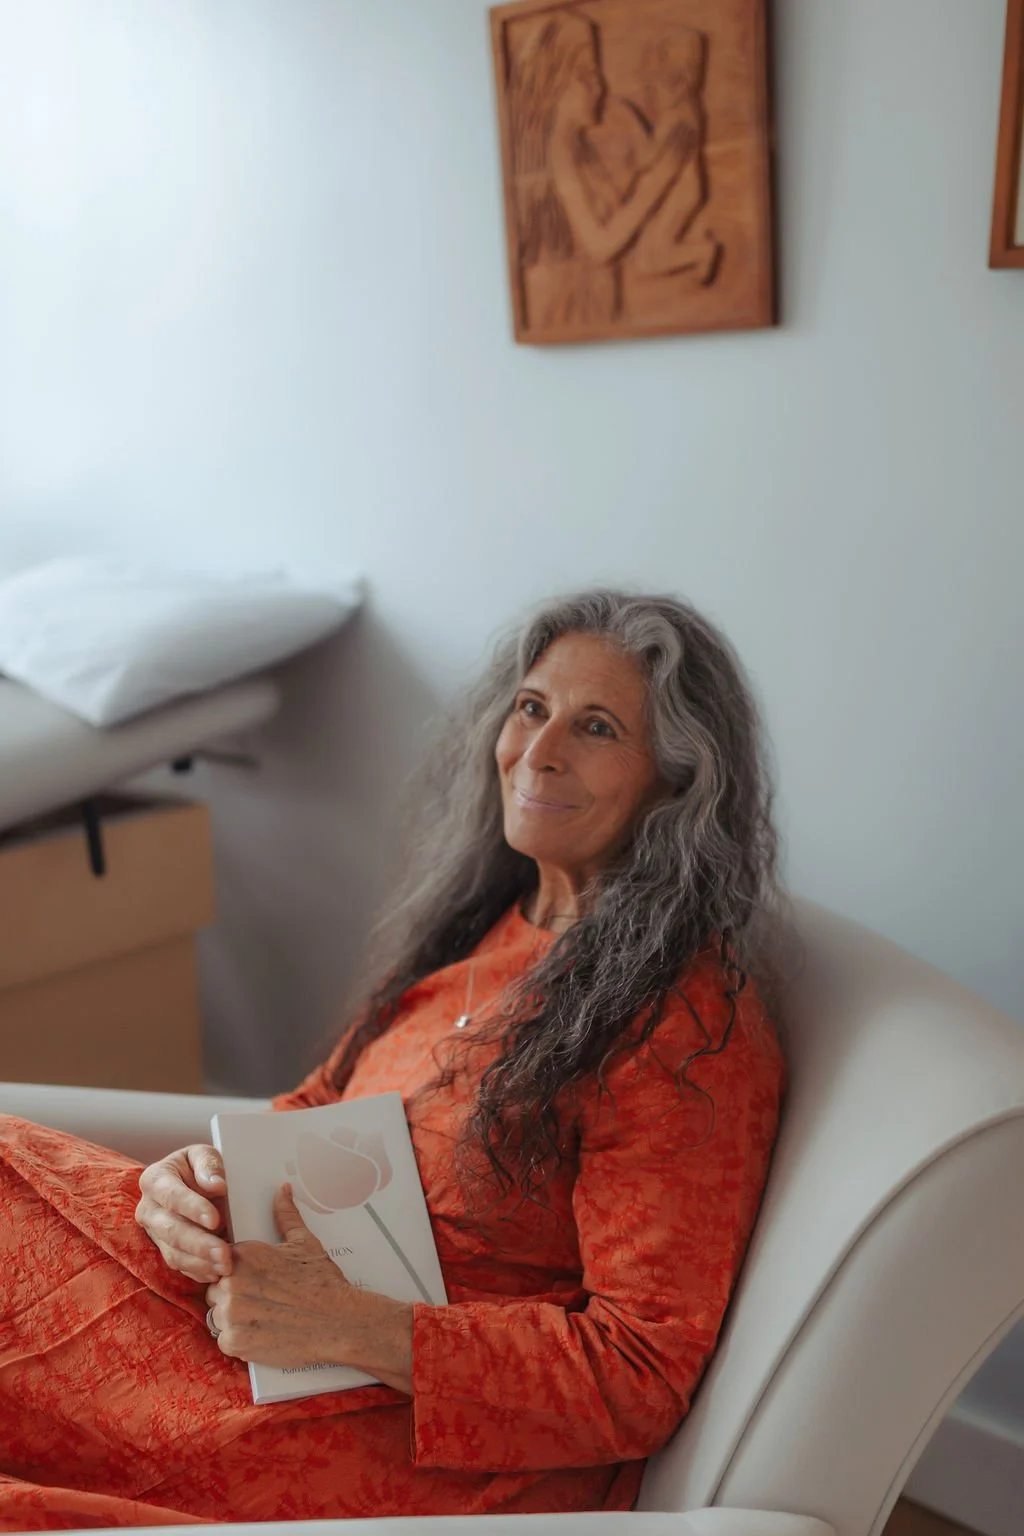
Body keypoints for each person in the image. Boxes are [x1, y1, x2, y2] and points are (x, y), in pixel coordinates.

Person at [0, 590, 786, 1528]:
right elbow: (313, 1110)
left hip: (393, 1426)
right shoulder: (492, 922)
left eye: (598, 727)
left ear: (676, 779)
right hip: (261, 1325)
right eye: (531, 707)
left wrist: (352, 1326)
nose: (538, 752)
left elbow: (638, 1373)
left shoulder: (682, 1027)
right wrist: (194, 1182)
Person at [509, 15, 693, 330]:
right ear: (559, 80)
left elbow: (622, 208)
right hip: (577, 311)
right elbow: (601, 245)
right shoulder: (559, 154)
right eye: (588, 77)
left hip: (599, 309)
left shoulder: (581, 150)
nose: (601, 88)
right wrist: (661, 179)